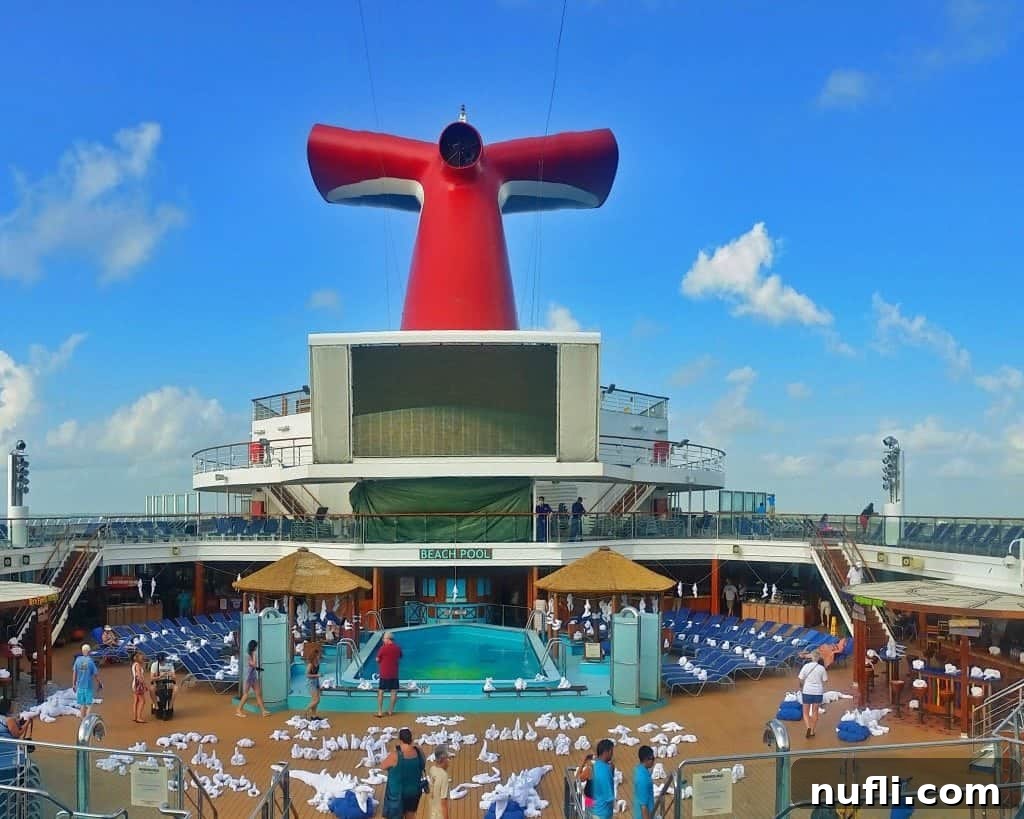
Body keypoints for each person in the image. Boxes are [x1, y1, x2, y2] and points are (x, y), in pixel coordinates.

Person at [381, 727, 426, 819]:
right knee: (410, 815)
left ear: (400, 739)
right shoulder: (418, 751)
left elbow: (383, 766)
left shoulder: (395, 755)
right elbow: (422, 764)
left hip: (398, 794)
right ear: (411, 739)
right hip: (414, 791)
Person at [798, 649, 829, 739]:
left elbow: (800, 678)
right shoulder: (821, 668)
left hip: (807, 691)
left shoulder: (806, 666)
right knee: (815, 712)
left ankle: (808, 727)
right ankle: (812, 731)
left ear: (811, 657)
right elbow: (825, 680)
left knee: (805, 712)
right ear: (819, 658)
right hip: (818, 692)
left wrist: (801, 686)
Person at [236, 639, 269, 717]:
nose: (256, 648)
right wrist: (254, 655)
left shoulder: (251, 654)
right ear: (253, 647)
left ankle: (263, 711)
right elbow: (253, 664)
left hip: (253, 676)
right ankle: (238, 710)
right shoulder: (247, 655)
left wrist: (258, 668)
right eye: (256, 647)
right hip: (248, 677)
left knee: (258, 693)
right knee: (246, 695)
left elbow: (254, 666)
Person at [0, 697, 32, 769]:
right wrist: (27, 723)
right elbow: (16, 734)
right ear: (7, 708)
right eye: (12, 706)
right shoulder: (9, 720)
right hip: (8, 745)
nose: (13, 707)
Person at [376, 632, 403, 718]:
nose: (383, 640)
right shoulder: (397, 648)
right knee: (394, 692)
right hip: (394, 674)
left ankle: (380, 711)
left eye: (384, 638)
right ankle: (390, 710)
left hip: (384, 674)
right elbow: (400, 656)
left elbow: (377, 659)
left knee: (381, 691)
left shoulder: (383, 648)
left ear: (388, 639)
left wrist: (380, 660)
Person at [72, 644, 101, 718]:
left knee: (82, 705)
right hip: (88, 686)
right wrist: (99, 683)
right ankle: (87, 720)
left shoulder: (78, 660)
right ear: (89, 651)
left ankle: (82, 721)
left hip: (80, 686)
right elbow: (95, 674)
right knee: (89, 705)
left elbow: (74, 673)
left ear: (82, 651)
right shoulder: (90, 661)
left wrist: (74, 684)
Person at [590, 738, 615, 819]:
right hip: (602, 814)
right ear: (606, 752)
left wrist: (611, 771)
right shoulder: (605, 771)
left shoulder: (596, 765)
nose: (612, 754)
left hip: (595, 810)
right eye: (611, 751)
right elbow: (609, 796)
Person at [149, 651, 178, 717]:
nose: (161, 662)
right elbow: (151, 678)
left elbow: (174, 678)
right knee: (151, 689)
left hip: (168, 682)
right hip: (158, 682)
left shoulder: (170, 665)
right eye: (160, 661)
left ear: (165, 659)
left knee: (176, 688)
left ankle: (170, 706)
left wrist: (171, 675)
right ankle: (156, 706)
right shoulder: (154, 665)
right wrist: (160, 677)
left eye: (162, 660)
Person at [427, 743, 450, 819]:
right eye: (447, 758)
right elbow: (444, 802)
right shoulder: (444, 776)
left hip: (433, 813)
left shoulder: (432, 769)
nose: (448, 761)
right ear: (443, 760)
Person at [633, 745, 656, 819]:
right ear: (646, 760)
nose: (653, 761)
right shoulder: (643, 779)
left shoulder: (638, 769)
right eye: (652, 759)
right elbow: (644, 806)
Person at [130, 651, 148, 723]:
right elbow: (139, 676)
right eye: (141, 656)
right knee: (142, 701)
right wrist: (145, 685)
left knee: (136, 701)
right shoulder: (138, 665)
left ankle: (135, 716)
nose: (142, 657)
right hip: (138, 684)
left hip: (134, 684)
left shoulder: (134, 664)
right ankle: (139, 717)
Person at [306, 643, 322, 717]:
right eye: (318, 655)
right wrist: (317, 675)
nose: (319, 656)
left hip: (316, 682)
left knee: (315, 700)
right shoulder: (310, 665)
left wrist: (319, 684)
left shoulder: (317, 663)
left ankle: (314, 715)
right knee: (316, 700)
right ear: (314, 656)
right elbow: (307, 675)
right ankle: (305, 710)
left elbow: (317, 674)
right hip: (311, 683)